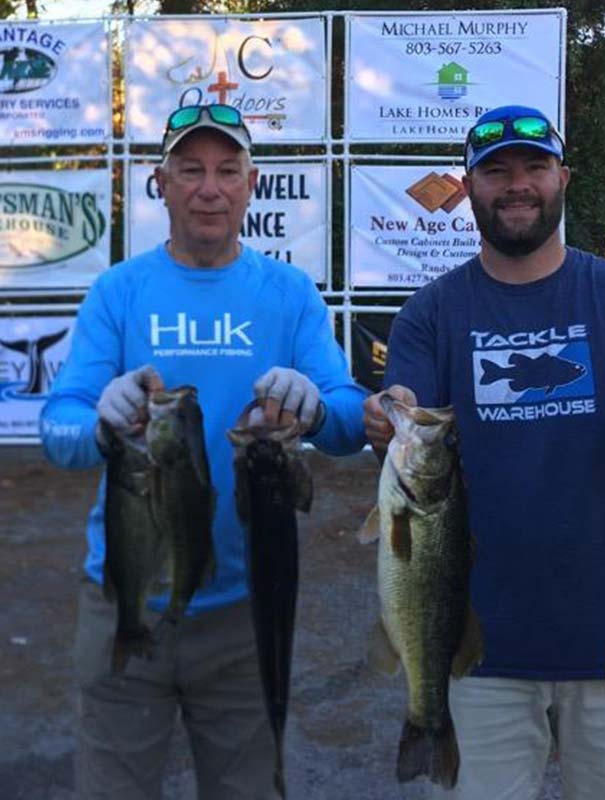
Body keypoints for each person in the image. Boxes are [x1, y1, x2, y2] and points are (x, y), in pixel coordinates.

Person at [363, 105, 605, 800]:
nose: (517, 185)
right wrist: (392, 414)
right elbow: (406, 399)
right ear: (467, 187)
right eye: (496, 171)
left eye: (534, 167)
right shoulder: (430, 312)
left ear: (562, 179)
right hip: (477, 653)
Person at [40, 103, 366, 800]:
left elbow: (346, 422)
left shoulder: (289, 293)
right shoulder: (118, 291)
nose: (209, 188)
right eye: (190, 170)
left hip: (245, 610)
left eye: (227, 170)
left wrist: (312, 402)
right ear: (161, 183)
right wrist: (99, 421)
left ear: (253, 184)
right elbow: (58, 431)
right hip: (124, 594)